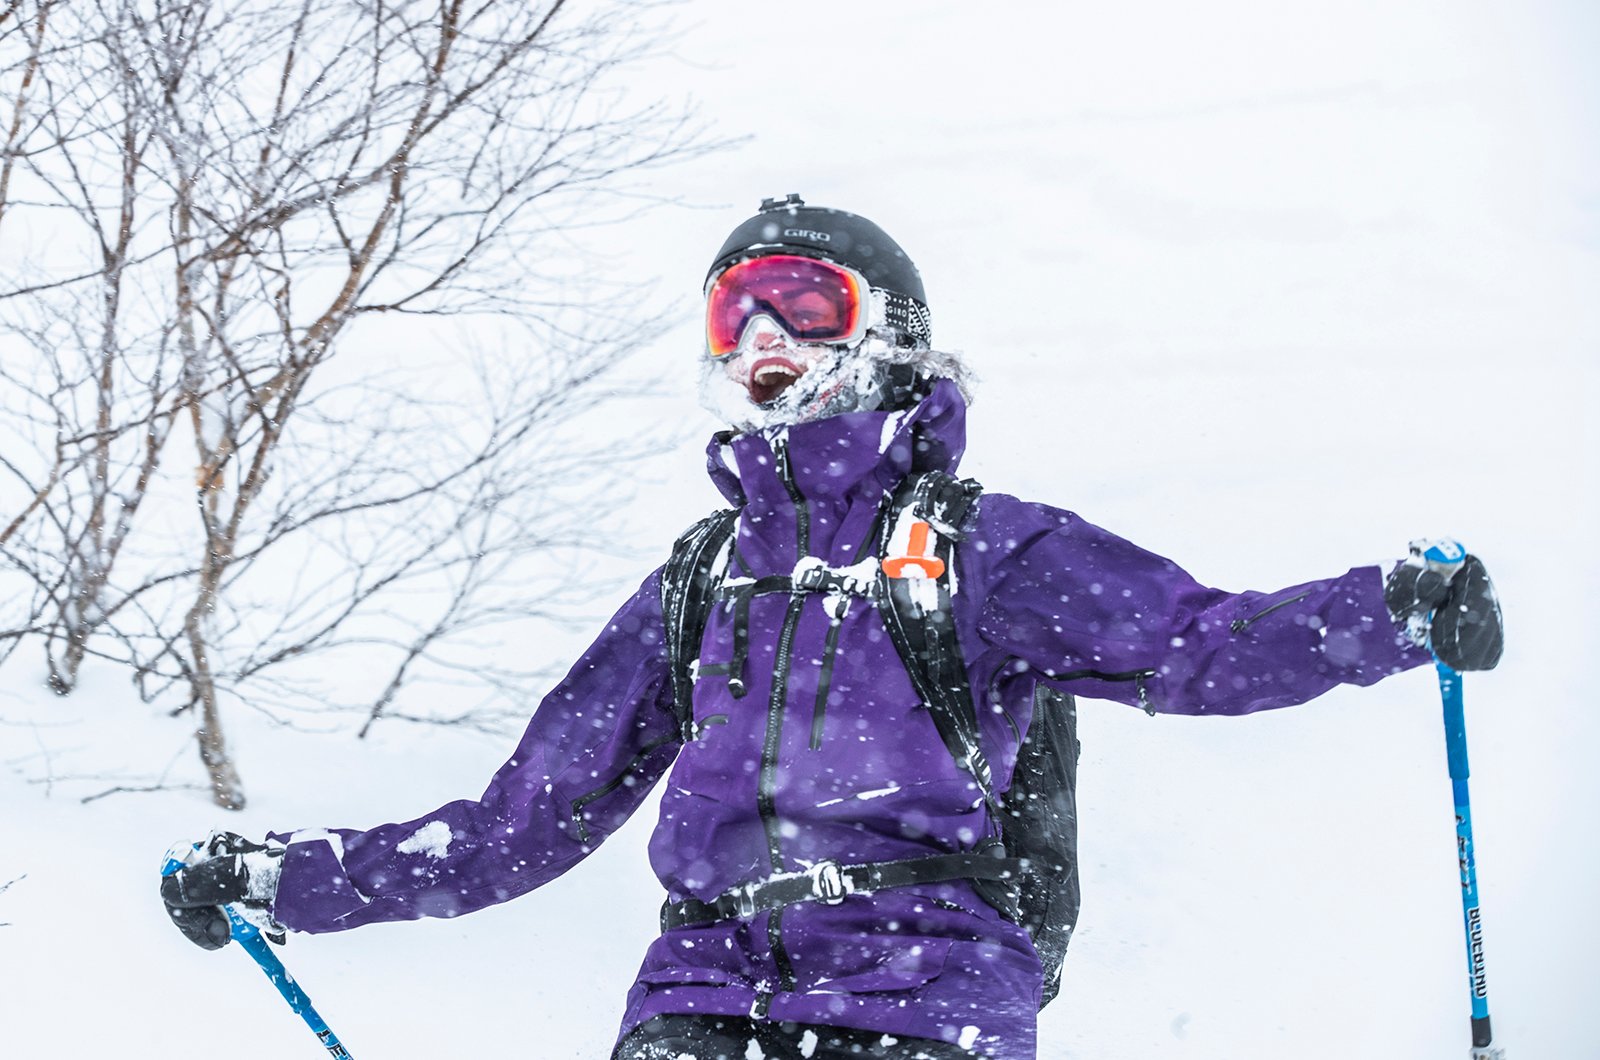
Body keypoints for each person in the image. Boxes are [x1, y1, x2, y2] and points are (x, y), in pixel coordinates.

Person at [161, 195, 1505, 1060]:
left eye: (805, 308)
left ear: (889, 341)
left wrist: (1392, 610)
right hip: (699, 994)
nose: (765, 338)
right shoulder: (701, 582)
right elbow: (521, 825)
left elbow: (1204, 646)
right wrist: (290, 881)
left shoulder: (988, 555)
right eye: (734, 312)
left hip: (925, 994)